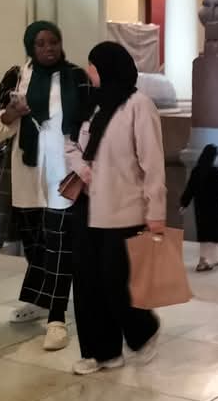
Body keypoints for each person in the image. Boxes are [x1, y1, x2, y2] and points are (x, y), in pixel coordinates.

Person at [0, 22, 92, 351]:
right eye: (41, 43)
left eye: (54, 42)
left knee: (59, 244)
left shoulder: (75, 77)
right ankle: (39, 298)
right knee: (35, 245)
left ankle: (57, 318)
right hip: (28, 173)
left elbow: (89, 121)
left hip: (64, 172)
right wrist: (11, 113)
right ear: (30, 47)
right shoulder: (16, 77)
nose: (49, 48)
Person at [64, 42, 163, 375]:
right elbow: (70, 142)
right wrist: (81, 167)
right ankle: (102, 352)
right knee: (87, 282)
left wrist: (156, 211)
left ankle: (143, 330)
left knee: (115, 281)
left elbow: (152, 164)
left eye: (93, 65)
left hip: (124, 207)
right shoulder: (91, 104)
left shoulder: (138, 105)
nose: (88, 71)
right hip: (87, 205)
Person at [180, 144, 218, 271]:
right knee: (217, 233)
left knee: (205, 235)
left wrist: (184, 204)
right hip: (212, 208)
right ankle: (206, 262)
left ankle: (208, 260)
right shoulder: (214, 171)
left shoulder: (196, 171)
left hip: (200, 208)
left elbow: (190, 188)